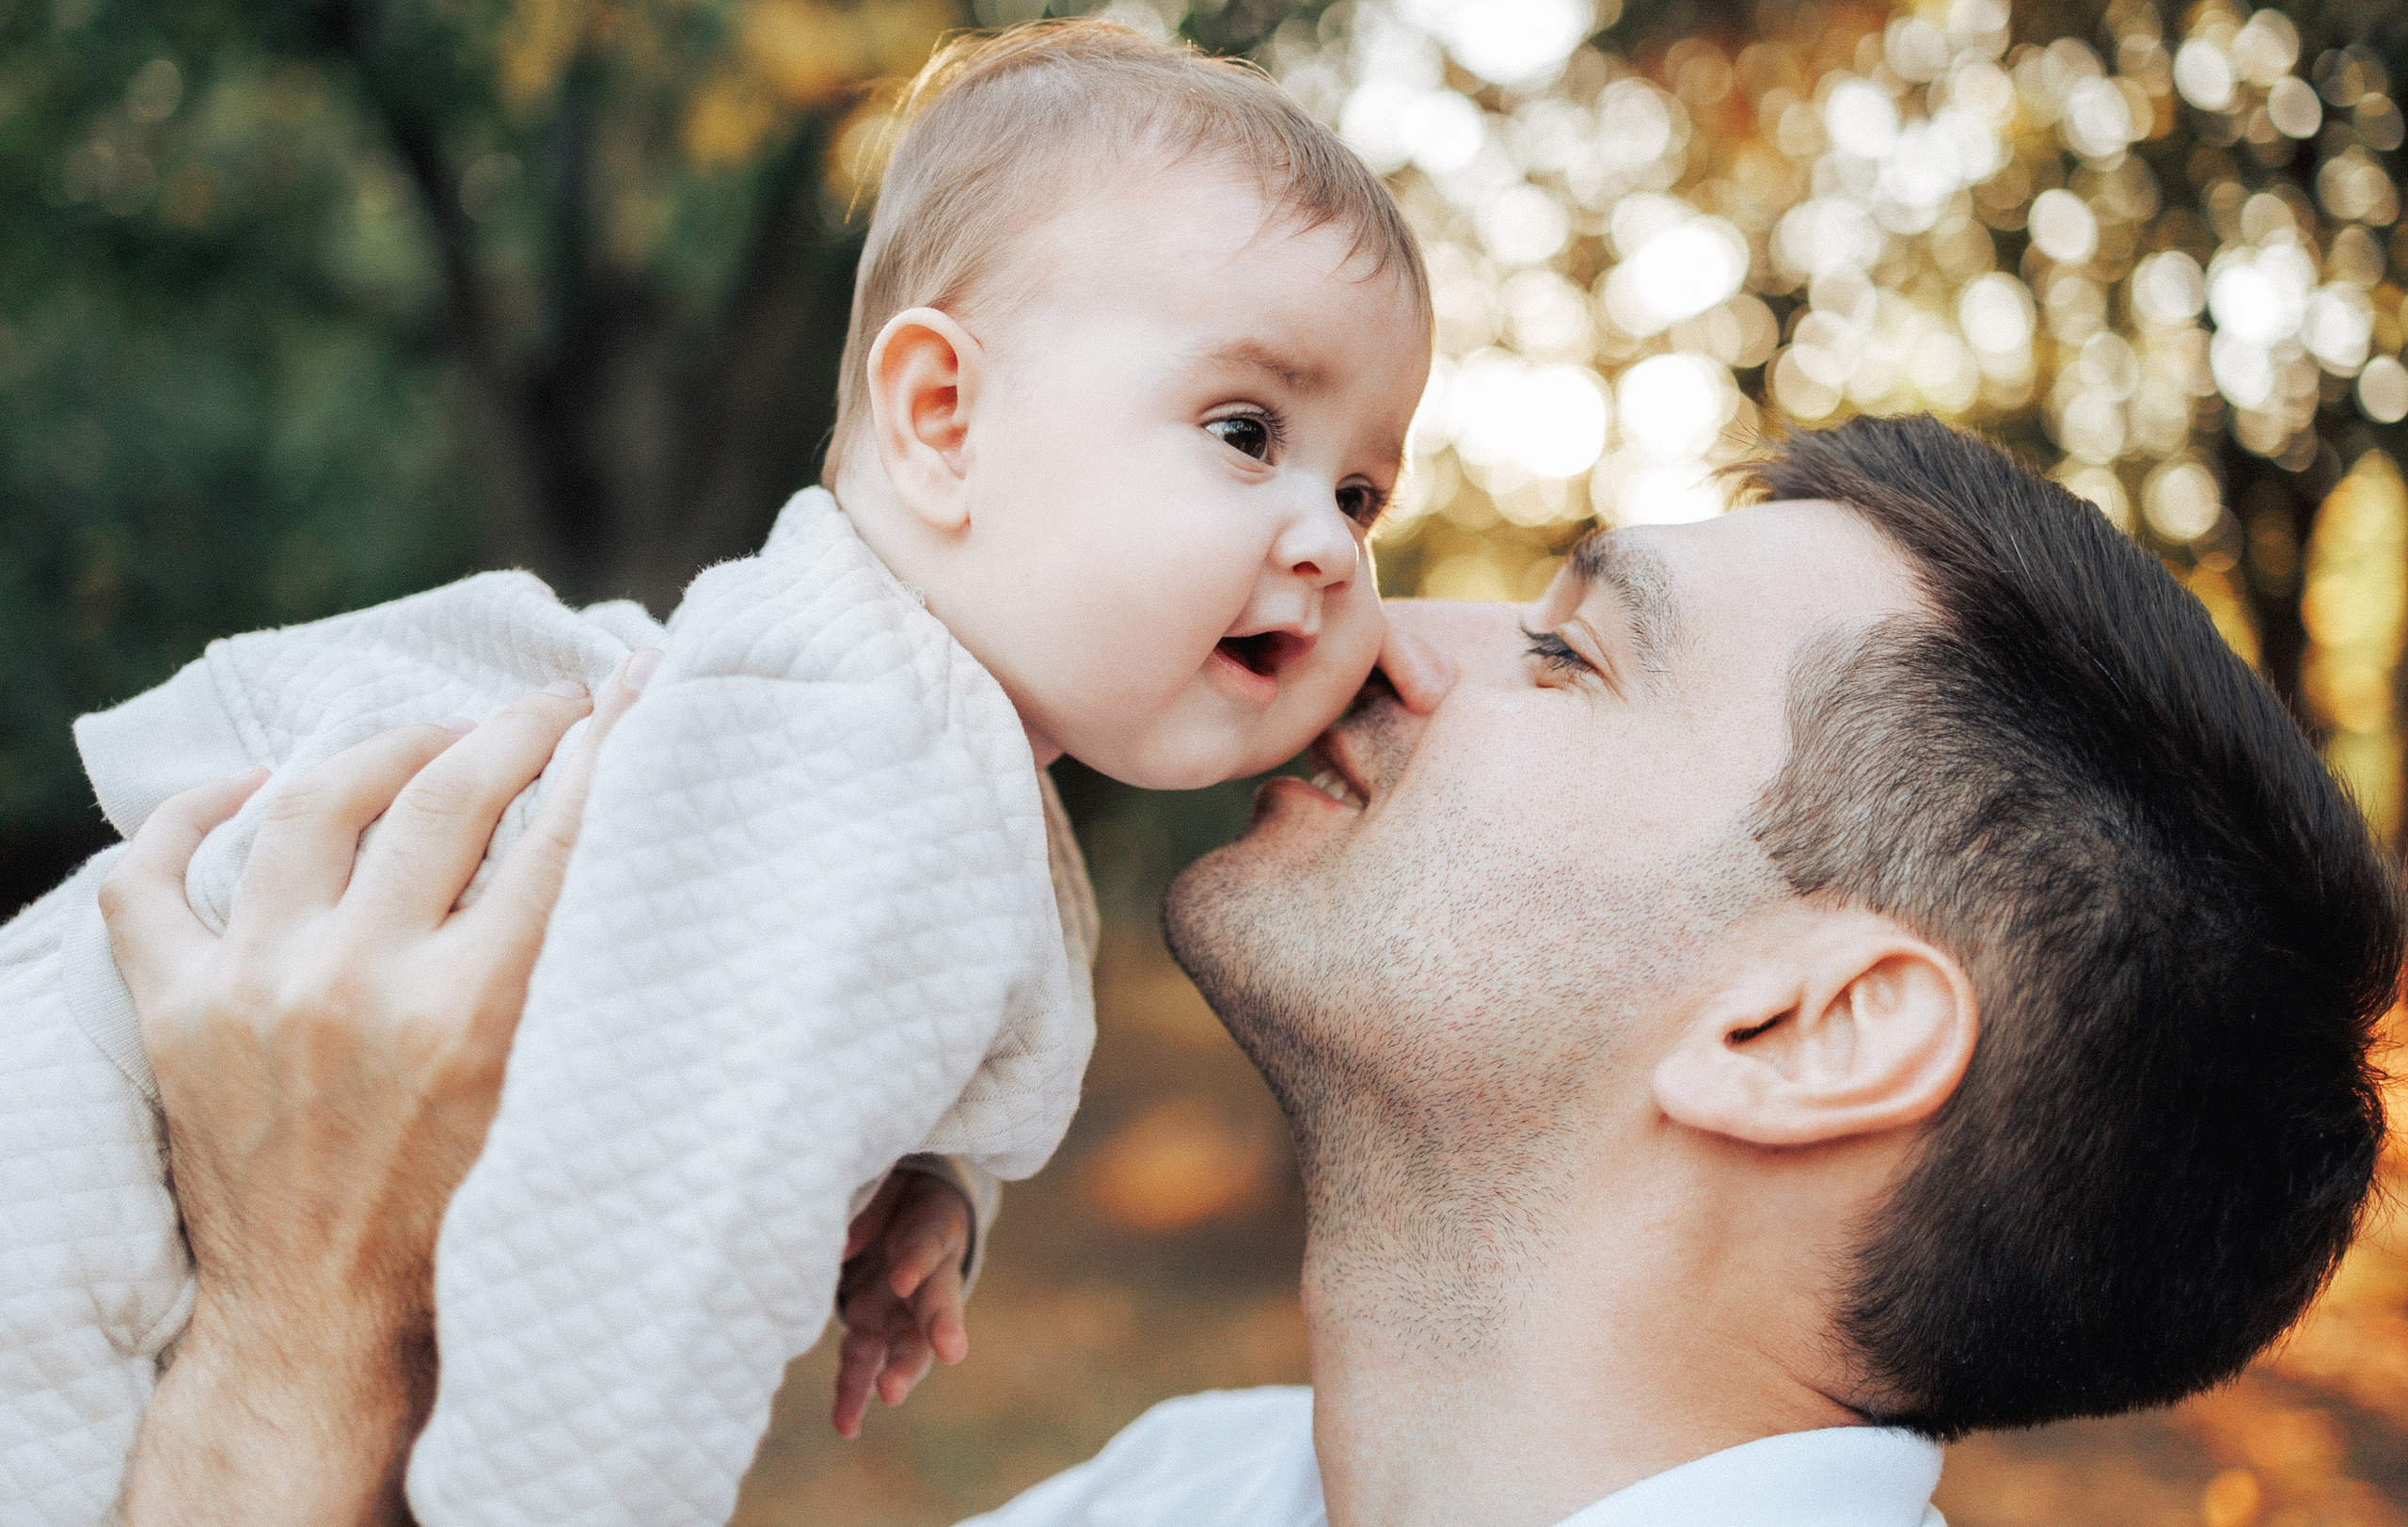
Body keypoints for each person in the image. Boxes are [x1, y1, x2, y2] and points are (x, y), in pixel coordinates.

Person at [99, 414, 2401, 1527]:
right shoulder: (1188, 1491)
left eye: (1571, 653)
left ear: (1805, 1025)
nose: (1378, 636)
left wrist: (300, 1339)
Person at [0, 20, 1431, 1527]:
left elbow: (785, 1026)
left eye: (1359, 491)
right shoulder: (871, 766)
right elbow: (636, 1269)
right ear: (943, 419)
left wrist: (933, 1177)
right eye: (1245, 431)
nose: (1329, 546)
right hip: (84, 1166)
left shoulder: (888, 738)